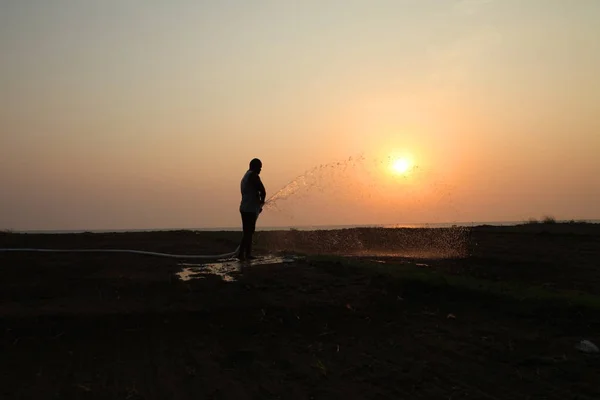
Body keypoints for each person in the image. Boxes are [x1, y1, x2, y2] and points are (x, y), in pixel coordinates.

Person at [238, 158, 266, 260]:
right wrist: (261, 202)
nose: (260, 170)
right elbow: (262, 190)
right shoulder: (253, 176)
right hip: (249, 209)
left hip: (245, 207)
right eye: (259, 168)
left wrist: (258, 205)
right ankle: (245, 254)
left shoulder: (246, 175)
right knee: (249, 232)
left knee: (247, 232)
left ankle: (243, 254)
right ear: (255, 167)